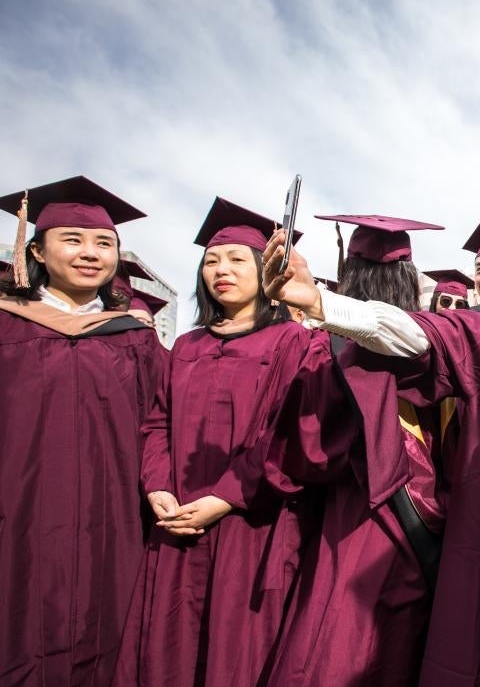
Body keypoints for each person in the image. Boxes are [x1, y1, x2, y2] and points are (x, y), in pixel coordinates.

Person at [115, 197, 322, 686]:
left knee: (239, 653)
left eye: (236, 259)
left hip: (252, 523)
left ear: (267, 269)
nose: (221, 270)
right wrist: (158, 488)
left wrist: (223, 498)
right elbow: (158, 424)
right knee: (171, 643)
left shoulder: (293, 342)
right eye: (211, 260)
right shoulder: (187, 345)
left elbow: (289, 436)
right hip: (179, 518)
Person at [264, 213, 447, 686]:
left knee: (332, 633)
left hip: (346, 514)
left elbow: (308, 453)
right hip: (410, 513)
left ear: (348, 274)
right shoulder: (432, 342)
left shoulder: (325, 346)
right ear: (410, 279)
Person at [0, 176, 166, 685]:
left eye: (103, 243)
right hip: (16, 511)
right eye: (72, 240)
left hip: (111, 519)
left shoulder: (137, 339)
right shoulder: (7, 326)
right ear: (37, 251)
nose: (90, 253)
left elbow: (163, 422)